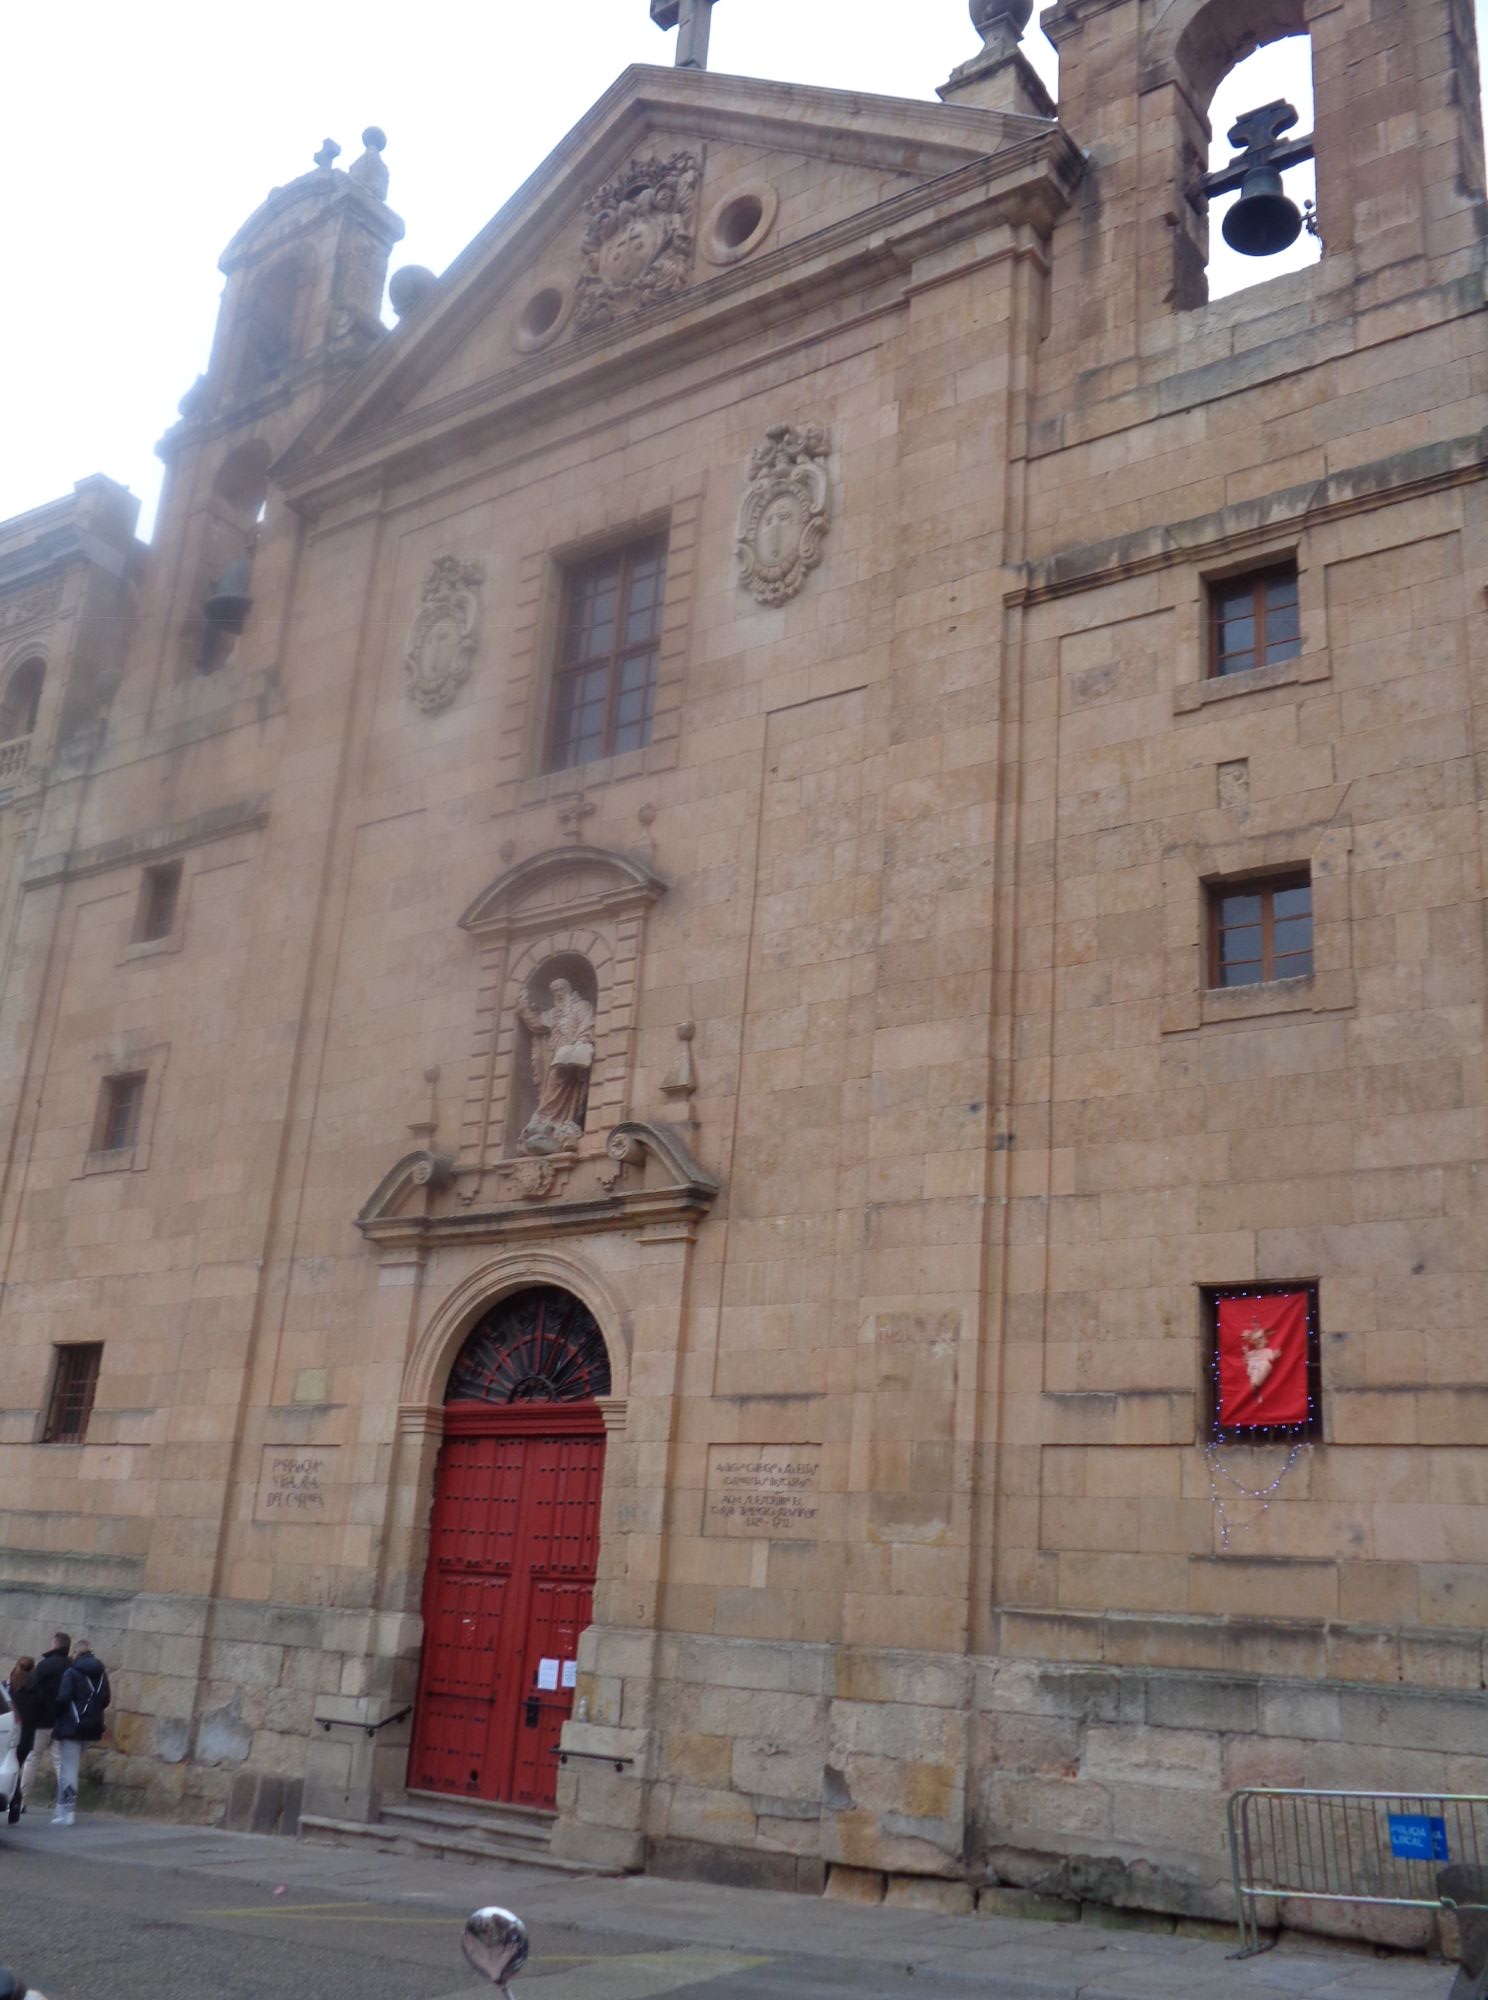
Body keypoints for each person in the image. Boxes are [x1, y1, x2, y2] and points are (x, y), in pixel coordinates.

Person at [49, 1641, 109, 1827]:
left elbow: (63, 1699)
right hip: (91, 1726)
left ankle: (68, 1811)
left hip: (71, 1725)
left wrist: (57, 1715)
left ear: (76, 1653)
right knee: (69, 1767)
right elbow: (106, 1699)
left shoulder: (71, 1672)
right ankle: (60, 1808)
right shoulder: (101, 1674)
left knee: (68, 1769)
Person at [15, 1632, 70, 1818]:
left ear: (54, 1645)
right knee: (60, 1762)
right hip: (61, 1721)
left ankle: (22, 1800)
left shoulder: (45, 1666)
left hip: (41, 1722)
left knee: (32, 1758)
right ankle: (66, 1803)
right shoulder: (71, 1666)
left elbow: (31, 1688)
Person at [5, 1658, 34, 1823]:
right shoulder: (36, 1691)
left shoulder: (8, 1688)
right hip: (26, 1737)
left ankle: (15, 1801)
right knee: (15, 1768)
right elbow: (40, 1713)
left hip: (9, 1736)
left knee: (11, 1768)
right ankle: (15, 1802)